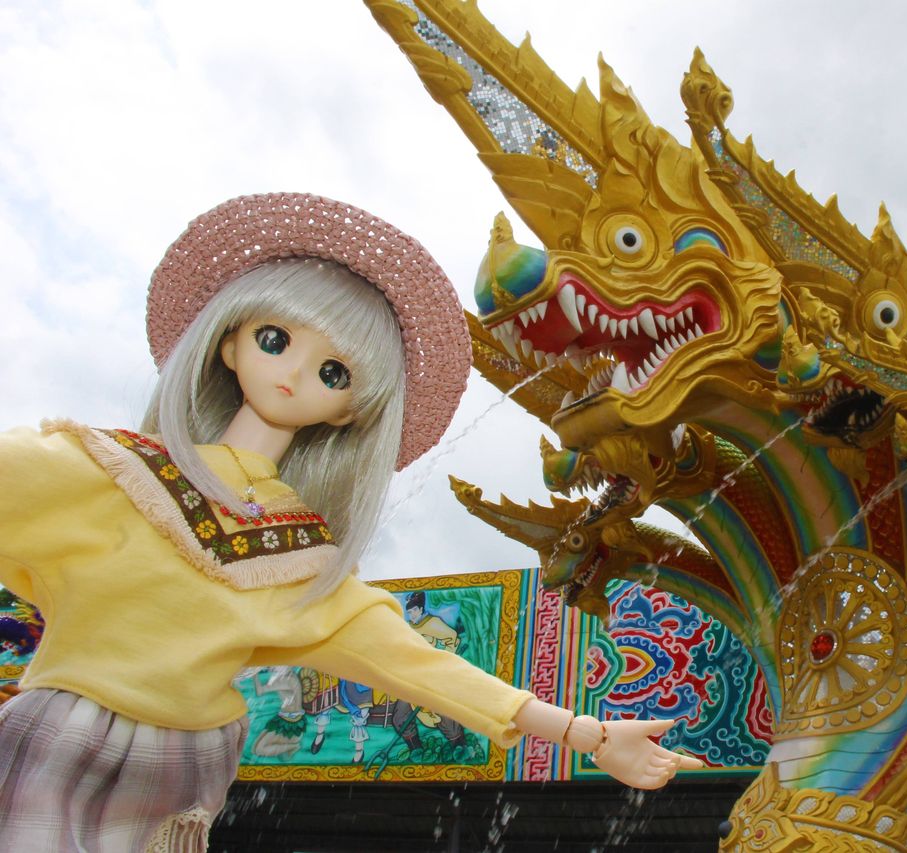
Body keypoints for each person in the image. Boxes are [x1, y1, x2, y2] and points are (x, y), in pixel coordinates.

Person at [0, 193, 699, 852]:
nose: (294, 374)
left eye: (335, 373)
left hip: (183, 773)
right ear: (228, 342)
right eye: (275, 338)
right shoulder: (111, 471)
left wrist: (586, 733)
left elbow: (413, 663)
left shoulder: (299, 555)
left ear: (348, 412)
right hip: (63, 735)